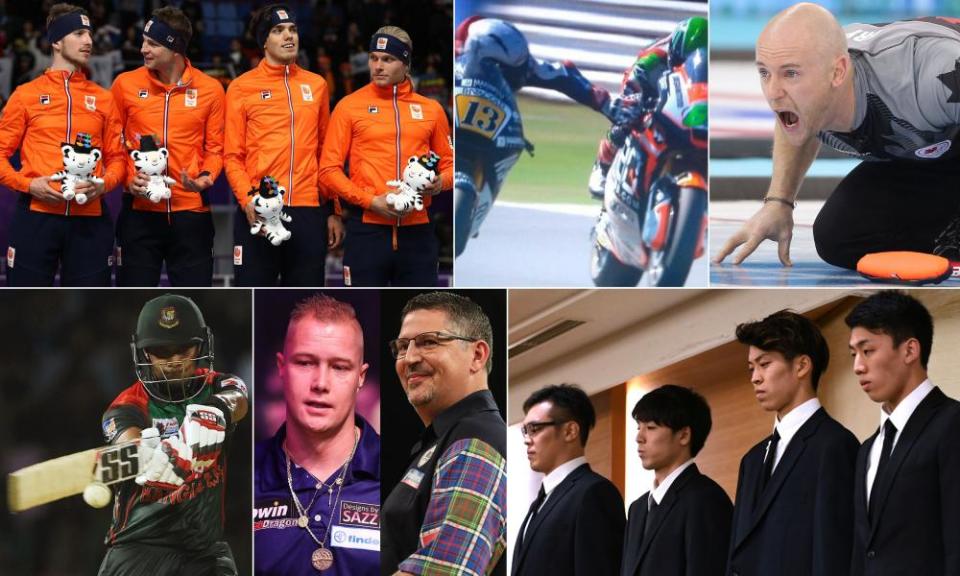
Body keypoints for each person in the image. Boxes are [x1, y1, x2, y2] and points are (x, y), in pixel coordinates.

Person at [714, 3, 960, 270]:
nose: (773, 93)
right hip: (931, 150)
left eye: (790, 73)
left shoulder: (932, 75)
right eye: (764, 72)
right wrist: (779, 202)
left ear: (838, 72)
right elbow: (794, 123)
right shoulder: (807, 88)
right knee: (840, 240)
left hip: (943, 120)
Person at [453, 17, 643, 256]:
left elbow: (563, 75)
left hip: (487, 129)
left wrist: (609, 106)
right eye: (505, 71)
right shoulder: (456, 56)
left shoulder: (522, 63)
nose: (515, 76)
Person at [98, 294, 249, 575]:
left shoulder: (217, 384)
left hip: (204, 551)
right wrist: (149, 454)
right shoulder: (128, 404)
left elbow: (238, 398)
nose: (176, 361)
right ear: (145, 354)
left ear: (200, 346)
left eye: (184, 349)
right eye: (163, 352)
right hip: (139, 550)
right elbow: (126, 439)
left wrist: (215, 411)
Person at [0, 3, 125, 286]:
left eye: (89, 34)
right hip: (36, 216)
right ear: (56, 41)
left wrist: (104, 185)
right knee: (25, 308)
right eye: (79, 33)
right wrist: (28, 185)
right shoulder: (25, 96)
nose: (89, 41)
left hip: (90, 218)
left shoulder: (104, 99)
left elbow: (119, 159)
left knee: (91, 312)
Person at [255, 294, 380, 576]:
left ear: (360, 377)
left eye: (339, 367)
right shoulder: (241, 477)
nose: (320, 383)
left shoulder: (403, 477)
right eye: (306, 363)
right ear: (281, 367)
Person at [381, 292, 506, 574]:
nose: (409, 358)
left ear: (477, 355)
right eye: (402, 346)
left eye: (429, 342)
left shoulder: (475, 442)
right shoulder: (444, 440)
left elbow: (443, 570)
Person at [318, 27, 452, 286]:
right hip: (366, 230)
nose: (378, 66)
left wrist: (439, 183)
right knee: (362, 309)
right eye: (374, 58)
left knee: (421, 307)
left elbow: (450, 165)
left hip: (418, 232)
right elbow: (328, 170)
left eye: (387, 59)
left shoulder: (432, 110)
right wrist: (370, 201)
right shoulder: (348, 106)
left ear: (406, 63)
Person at [729, 310, 858, 576]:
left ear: (801, 366)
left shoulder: (834, 446)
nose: (755, 377)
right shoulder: (751, 460)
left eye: (765, 364)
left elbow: (832, 553)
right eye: (752, 368)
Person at [224, 4, 344, 286]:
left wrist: (333, 211)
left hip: (308, 211)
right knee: (254, 298)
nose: (289, 36)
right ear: (264, 41)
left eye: (292, 29)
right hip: (259, 209)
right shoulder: (241, 87)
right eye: (278, 31)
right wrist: (247, 199)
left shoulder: (316, 86)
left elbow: (326, 154)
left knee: (307, 302)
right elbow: (232, 155)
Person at [845, 291, 960, 575]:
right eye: (853, 354)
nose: (857, 367)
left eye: (867, 350)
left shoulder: (952, 423)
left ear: (910, 350)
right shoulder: (867, 449)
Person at [111, 6, 225, 287]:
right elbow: (114, 145)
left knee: (196, 302)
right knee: (130, 303)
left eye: (152, 43)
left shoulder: (211, 89)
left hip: (191, 214)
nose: (142, 49)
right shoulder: (124, 85)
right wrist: (128, 177)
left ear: (174, 48)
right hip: (139, 212)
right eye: (143, 41)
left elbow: (216, 148)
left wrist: (206, 177)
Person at [587, 16, 708, 199]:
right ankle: (603, 166)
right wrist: (636, 101)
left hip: (687, 93)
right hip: (649, 86)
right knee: (628, 116)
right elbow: (632, 83)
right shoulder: (655, 57)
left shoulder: (705, 65)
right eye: (683, 60)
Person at [513, 384, 625, 576]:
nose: (527, 439)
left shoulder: (594, 494)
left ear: (570, 431)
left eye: (535, 429)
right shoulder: (541, 500)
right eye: (526, 431)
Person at [622, 384, 731, 576]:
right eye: (639, 427)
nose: (639, 437)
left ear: (684, 435)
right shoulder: (637, 509)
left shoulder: (705, 499)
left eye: (651, 427)